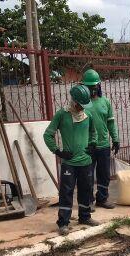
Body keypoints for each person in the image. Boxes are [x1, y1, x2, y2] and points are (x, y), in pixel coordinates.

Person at [44, 84, 98, 235]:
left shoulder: (88, 115)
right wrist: (58, 151)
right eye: (81, 105)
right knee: (66, 192)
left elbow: (94, 132)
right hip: (69, 163)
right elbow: (48, 135)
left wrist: (93, 144)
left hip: (86, 162)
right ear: (74, 102)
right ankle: (63, 223)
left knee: (86, 190)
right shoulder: (62, 115)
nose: (82, 108)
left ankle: (85, 217)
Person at [81, 69, 119, 210]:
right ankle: (88, 201)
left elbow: (111, 122)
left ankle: (102, 199)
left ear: (99, 85)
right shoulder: (81, 104)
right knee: (87, 176)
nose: (92, 89)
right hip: (87, 146)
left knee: (104, 175)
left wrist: (115, 139)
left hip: (103, 145)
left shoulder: (105, 102)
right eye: (89, 86)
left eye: (94, 86)